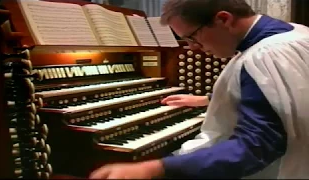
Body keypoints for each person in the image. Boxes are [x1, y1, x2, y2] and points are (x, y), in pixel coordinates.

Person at [89, 0, 309, 179]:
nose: (193, 48)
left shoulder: (262, 56)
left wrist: (154, 168)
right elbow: (290, 91)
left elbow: (257, 147)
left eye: (191, 37)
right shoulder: (297, 34)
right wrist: (208, 99)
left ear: (224, 19)